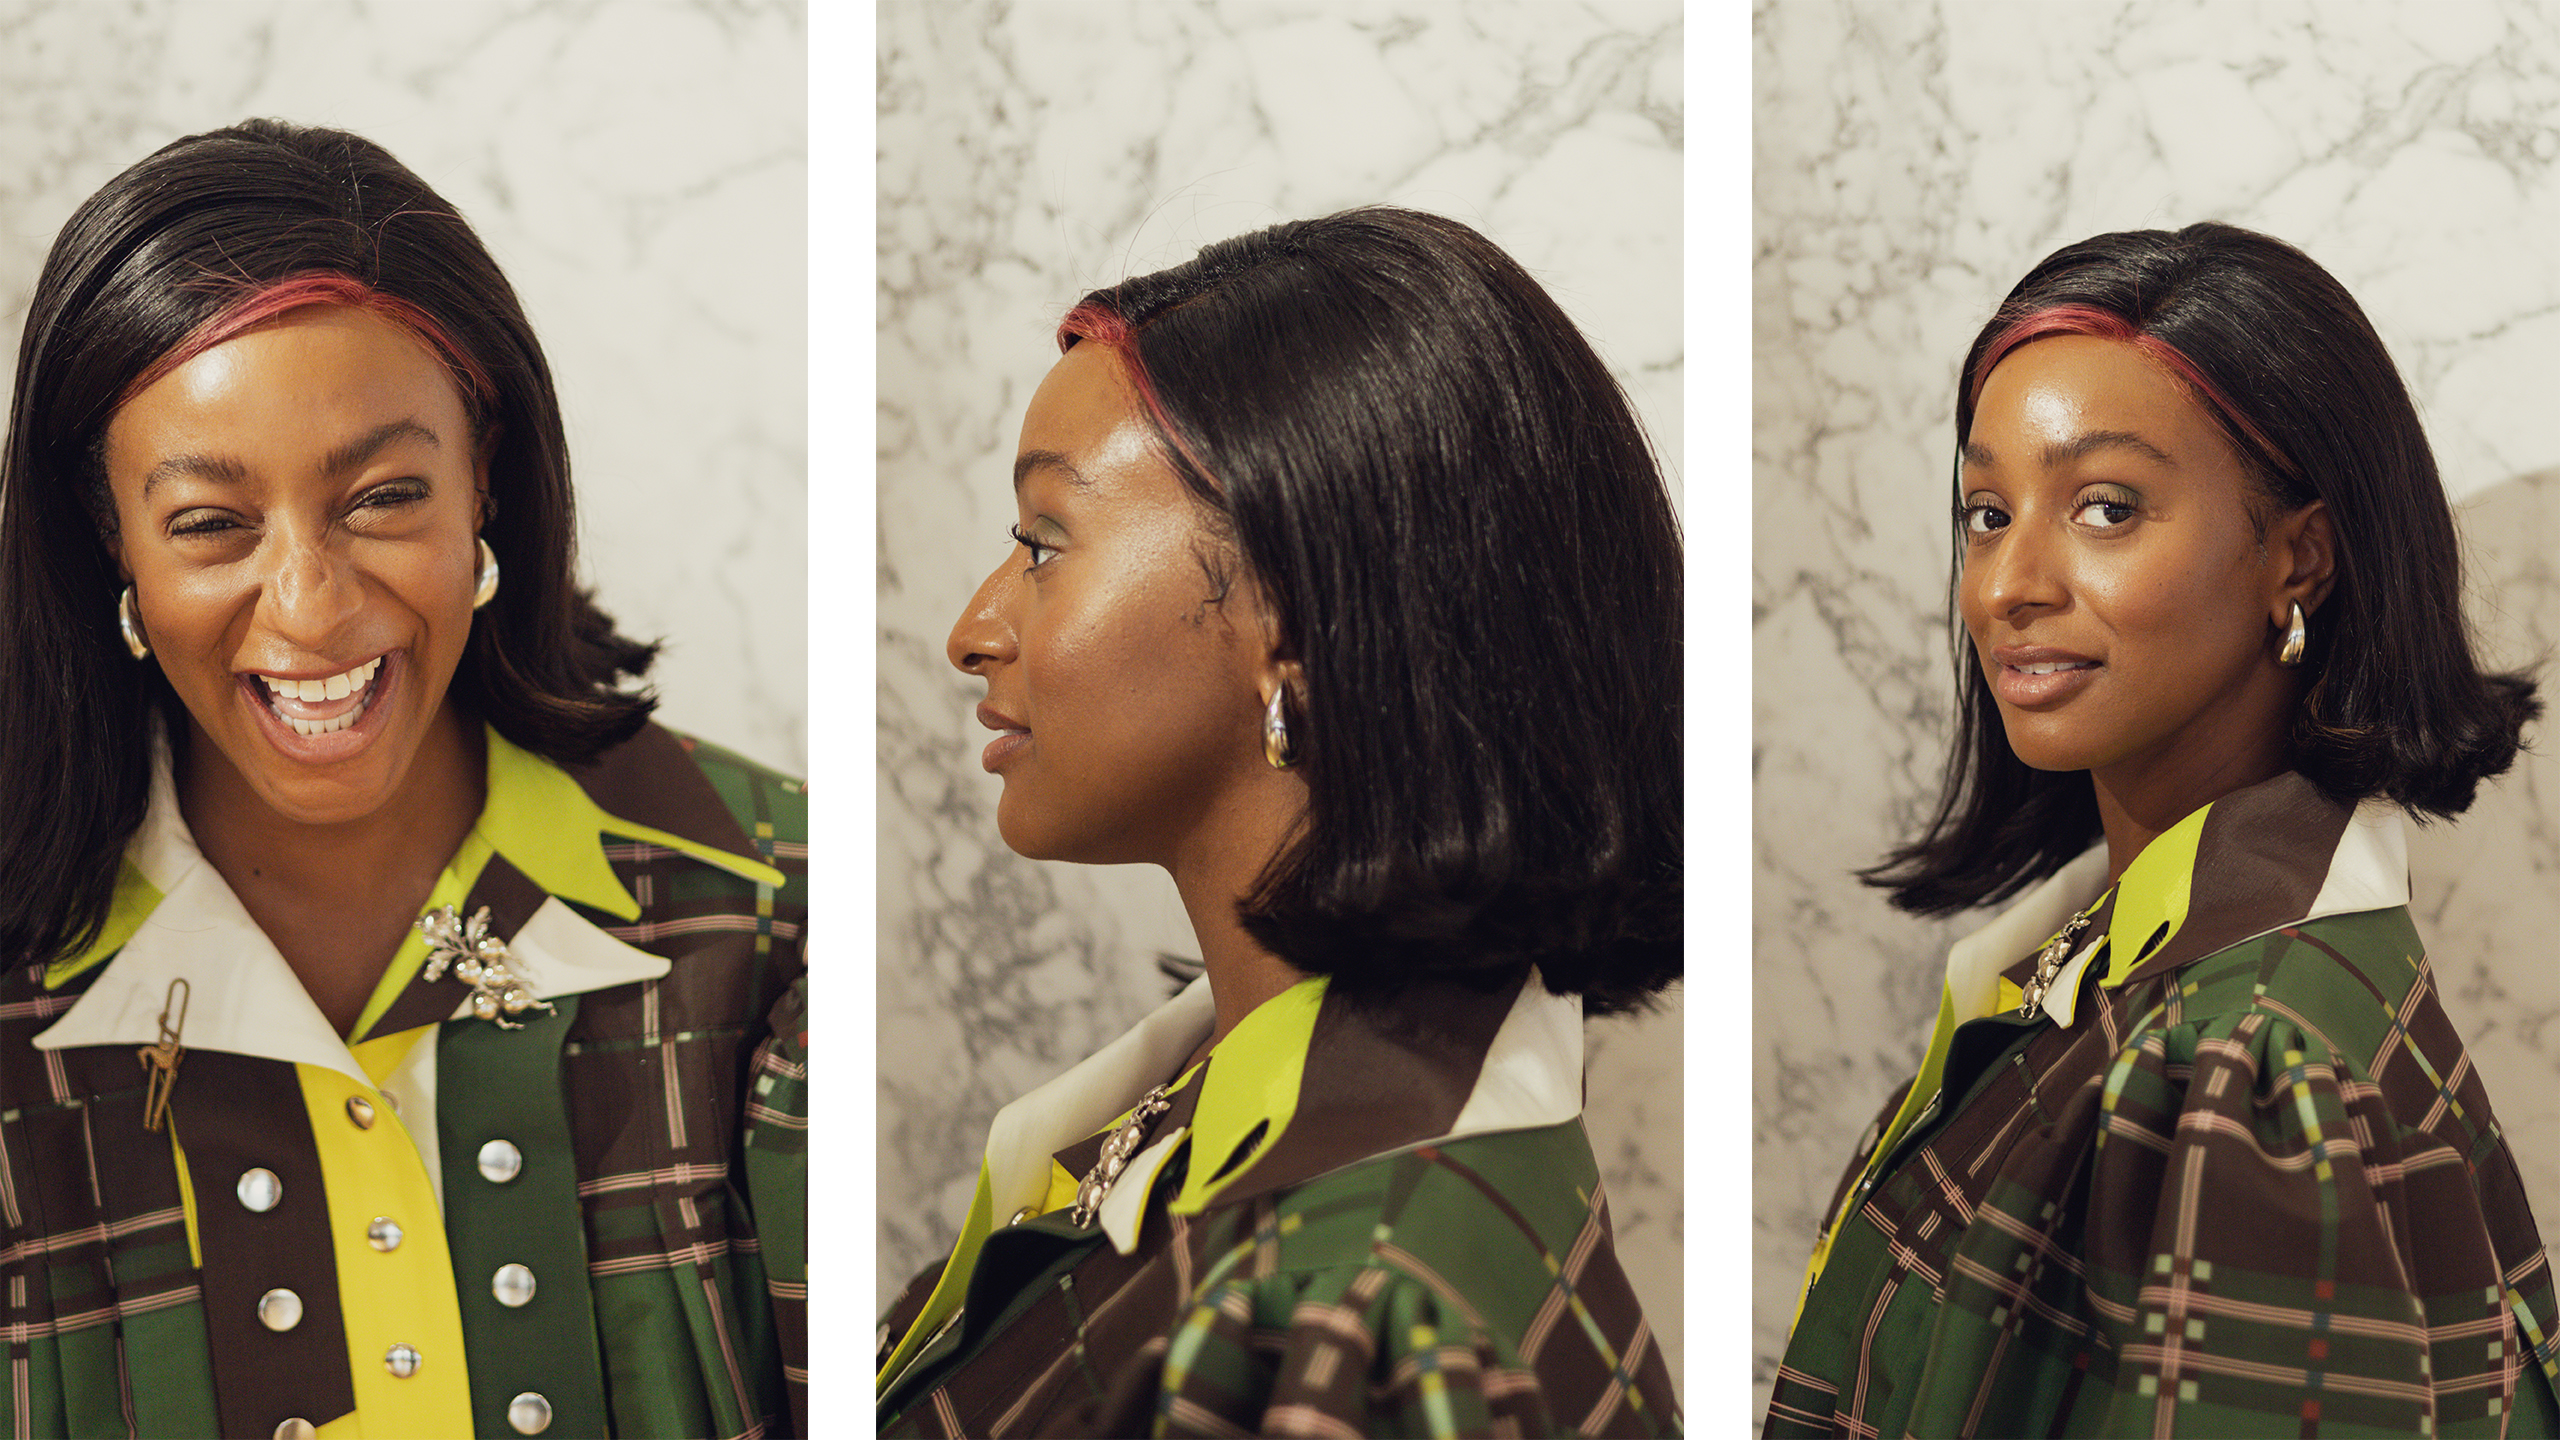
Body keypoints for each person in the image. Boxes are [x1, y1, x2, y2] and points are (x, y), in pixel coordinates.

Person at [0, 120, 806, 1439]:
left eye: (383, 497)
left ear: (484, 477)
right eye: (210, 524)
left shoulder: (777, 912)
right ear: (112, 545)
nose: (311, 609)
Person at [875, 208, 1684, 1438]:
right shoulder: (1226, 1108)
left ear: (1296, 626)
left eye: (1044, 543)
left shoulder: (1347, 1325)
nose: (973, 629)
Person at [1766, 223, 2560, 1437]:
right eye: (1985, 511)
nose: (2007, 583)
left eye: (2105, 506)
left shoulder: (2253, 1073)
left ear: (2297, 558)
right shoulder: (2107, 962)